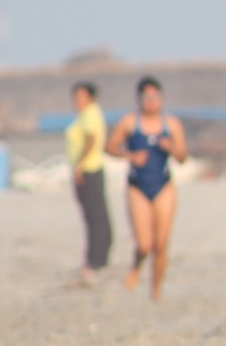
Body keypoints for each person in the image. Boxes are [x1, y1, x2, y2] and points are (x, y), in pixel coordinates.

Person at [105, 76, 188, 301]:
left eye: (155, 97)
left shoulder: (171, 124)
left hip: (163, 185)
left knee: (161, 244)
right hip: (137, 187)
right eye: (146, 98)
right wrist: (130, 155)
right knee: (144, 244)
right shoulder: (130, 122)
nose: (151, 102)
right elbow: (110, 146)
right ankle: (135, 268)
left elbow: (182, 157)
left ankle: (156, 289)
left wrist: (171, 148)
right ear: (139, 99)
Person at [66, 81, 114, 285]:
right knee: (92, 216)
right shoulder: (85, 115)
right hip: (88, 169)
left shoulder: (90, 114)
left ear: (90, 97)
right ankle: (95, 258)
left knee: (96, 216)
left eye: (81, 97)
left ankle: (96, 260)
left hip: (90, 170)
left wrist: (80, 164)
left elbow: (92, 138)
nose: (77, 101)